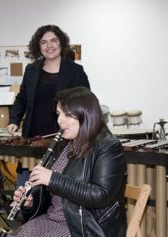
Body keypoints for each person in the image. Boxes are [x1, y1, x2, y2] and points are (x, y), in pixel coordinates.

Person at [9, 87, 127, 237]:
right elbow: (54, 197)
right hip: (53, 219)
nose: (60, 120)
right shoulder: (65, 144)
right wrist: (31, 202)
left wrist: (52, 178)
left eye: (68, 115)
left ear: (87, 115)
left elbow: (100, 195)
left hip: (84, 228)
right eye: (59, 114)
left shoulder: (108, 147)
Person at [7, 25, 90, 186]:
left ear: (61, 43)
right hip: (33, 139)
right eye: (43, 42)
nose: (49, 45)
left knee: (55, 192)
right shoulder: (31, 70)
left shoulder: (76, 71)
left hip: (64, 141)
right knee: (25, 193)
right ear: (38, 47)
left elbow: (86, 103)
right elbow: (22, 98)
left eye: (54, 40)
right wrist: (14, 120)